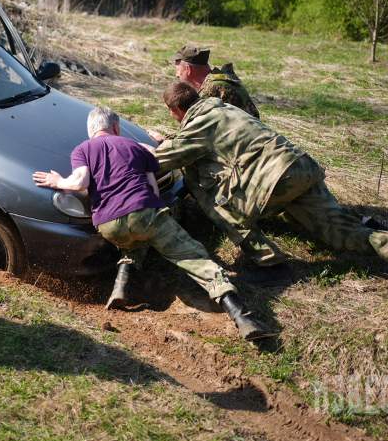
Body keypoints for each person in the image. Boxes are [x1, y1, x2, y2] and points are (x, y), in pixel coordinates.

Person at [155, 82, 388, 293]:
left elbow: (163, 161)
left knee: (218, 203)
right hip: (300, 167)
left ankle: (268, 264)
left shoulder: (198, 124)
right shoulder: (225, 109)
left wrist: (149, 147)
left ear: (175, 110)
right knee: (340, 231)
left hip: (275, 180)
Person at [33, 106, 271, 341]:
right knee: (192, 255)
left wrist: (57, 181)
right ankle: (241, 316)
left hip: (109, 226)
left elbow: (79, 183)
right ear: (115, 127)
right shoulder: (135, 146)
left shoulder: (82, 149)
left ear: (91, 130)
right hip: (143, 214)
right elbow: (153, 188)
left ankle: (120, 286)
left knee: (133, 240)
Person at [173, 45, 259, 119]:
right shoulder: (217, 80)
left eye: (178, 70)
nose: (177, 75)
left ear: (188, 70)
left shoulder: (213, 88)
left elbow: (198, 126)